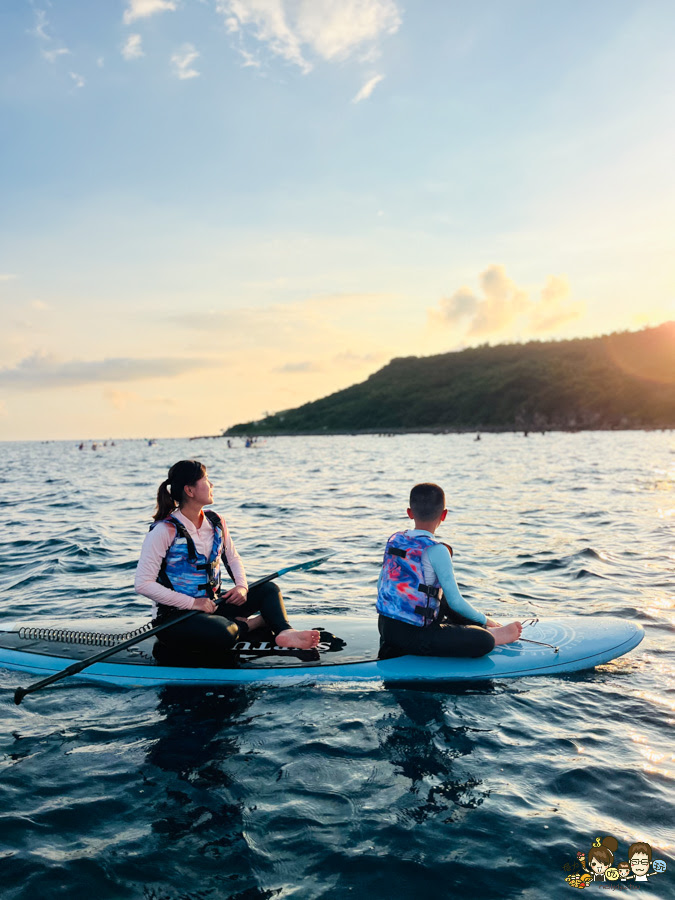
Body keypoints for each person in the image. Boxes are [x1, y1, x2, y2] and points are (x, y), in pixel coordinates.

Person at [135, 460, 320, 653]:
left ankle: (285, 632)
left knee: (269, 589)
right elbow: (143, 583)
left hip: (214, 605)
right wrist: (193, 603)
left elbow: (232, 558)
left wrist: (241, 586)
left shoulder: (216, 521)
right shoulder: (164, 530)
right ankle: (252, 624)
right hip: (175, 618)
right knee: (225, 632)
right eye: (206, 479)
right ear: (189, 491)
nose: (211, 485)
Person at [376, 483, 522, 658]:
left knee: (437, 593)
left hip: (386, 628)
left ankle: (474, 626)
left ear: (409, 513)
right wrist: (486, 620)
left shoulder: (396, 540)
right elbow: (456, 602)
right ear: (444, 515)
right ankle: (492, 632)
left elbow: (381, 584)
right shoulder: (437, 550)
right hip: (416, 638)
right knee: (484, 641)